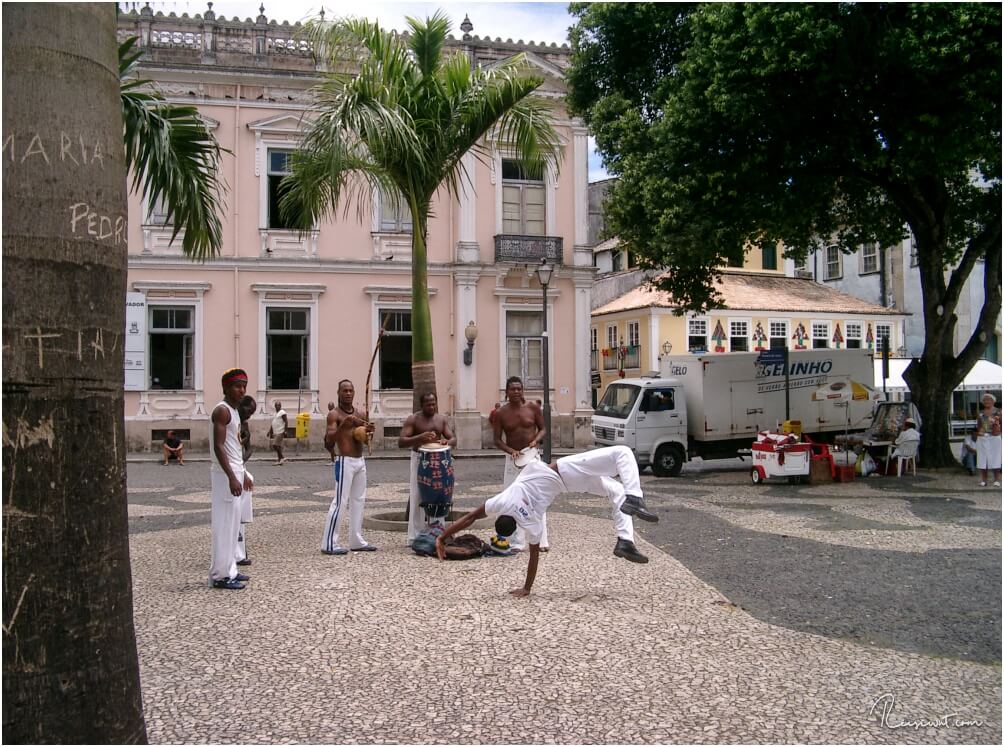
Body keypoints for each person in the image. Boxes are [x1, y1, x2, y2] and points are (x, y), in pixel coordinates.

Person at [435, 445, 659, 596]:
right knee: (623, 453)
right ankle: (636, 497)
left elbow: (533, 559)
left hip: (570, 485)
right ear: (501, 515)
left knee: (617, 491)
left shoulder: (532, 524)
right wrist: (442, 538)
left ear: (515, 527)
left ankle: (625, 540)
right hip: (565, 470)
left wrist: (526, 589)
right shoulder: (503, 501)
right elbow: (470, 517)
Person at [209, 368, 253, 590]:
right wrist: (231, 477)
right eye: (237, 386)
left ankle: (231, 569)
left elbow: (234, 447)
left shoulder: (235, 412)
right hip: (225, 474)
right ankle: (220, 574)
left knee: (234, 524)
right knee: (225, 525)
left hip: (235, 470)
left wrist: (243, 474)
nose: (242, 390)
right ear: (226, 388)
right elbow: (219, 446)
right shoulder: (222, 411)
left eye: (244, 386)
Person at [321, 379, 377, 555]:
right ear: (338, 393)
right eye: (344, 390)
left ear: (354, 392)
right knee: (340, 501)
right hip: (344, 461)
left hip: (360, 461)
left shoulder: (360, 413)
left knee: (358, 500)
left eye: (351, 390)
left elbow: (365, 438)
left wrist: (369, 431)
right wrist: (344, 425)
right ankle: (329, 543)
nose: (348, 393)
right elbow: (329, 440)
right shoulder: (334, 415)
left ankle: (356, 540)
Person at [492, 376, 548, 551]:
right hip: (514, 459)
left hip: (531, 457)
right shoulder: (501, 413)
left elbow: (543, 429)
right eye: (512, 389)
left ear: (522, 390)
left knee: (537, 498)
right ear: (507, 392)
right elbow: (496, 440)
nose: (516, 392)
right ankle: (517, 541)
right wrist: (511, 451)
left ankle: (541, 541)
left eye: (519, 389)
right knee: (512, 499)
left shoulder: (532, 408)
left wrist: (536, 440)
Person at [398, 392, 457, 546]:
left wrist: (447, 441)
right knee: (417, 495)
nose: (431, 407)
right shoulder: (414, 419)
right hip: (420, 458)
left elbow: (453, 438)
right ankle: (415, 536)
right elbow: (401, 441)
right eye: (428, 404)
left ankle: (438, 533)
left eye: (433, 404)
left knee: (439, 495)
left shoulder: (441, 419)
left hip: (439, 459)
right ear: (422, 405)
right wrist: (420, 437)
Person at [236, 395, 257, 567]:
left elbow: (249, 448)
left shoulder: (244, 424)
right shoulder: (231, 419)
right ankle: (235, 552)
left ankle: (240, 552)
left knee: (240, 514)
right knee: (233, 514)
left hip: (240, 467)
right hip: (234, 470)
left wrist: (242, 462)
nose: (249, 416)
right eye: (248, 412)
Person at [975, 392, 1002, 488]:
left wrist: (999, 432)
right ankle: (983, 480)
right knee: (982, 458)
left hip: (995, 438)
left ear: (993, 401)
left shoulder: (999, 412)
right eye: (985, 400)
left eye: (989, 400)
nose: (987, 401)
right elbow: (978, 425)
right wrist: (979, 432)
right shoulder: (980, 413)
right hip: (983, 438)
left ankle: (996, 480)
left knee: (996, 458)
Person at [267, 400, 288, 465]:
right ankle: (280, 460)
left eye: (278, 405)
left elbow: (286, 421)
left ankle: (282, 457)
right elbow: (273, 423)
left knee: (275, 445)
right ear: (275, 406)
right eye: (276, 405)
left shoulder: (282, 412)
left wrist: (285, 430)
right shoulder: (275, 413)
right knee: (277, 446)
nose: (277, 406)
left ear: (280, 406)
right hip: (276, 432)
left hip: (280, 431)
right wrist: (270, 431)